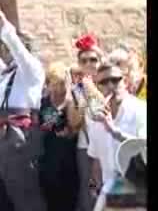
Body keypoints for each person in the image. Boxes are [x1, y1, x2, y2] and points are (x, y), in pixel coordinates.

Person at [0, 0, 47, 211]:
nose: (5, 50)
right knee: (12, 191)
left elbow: (16, 46)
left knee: (27, 192)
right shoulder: (7, 73)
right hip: (3, 139)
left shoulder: (31, 70)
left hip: (21, 140)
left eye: (8, 48)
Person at [87, 63, 147, 190]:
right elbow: (96, 160)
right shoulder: (95, 119)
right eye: (103, 82)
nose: (110, 86)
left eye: (115, 80)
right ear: (97, 88)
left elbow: (144, 147)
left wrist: (115, 132)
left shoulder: (141, 109)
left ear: (124, 81)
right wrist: (95, 187)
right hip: (110, 191)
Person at [39, 62, 82, 211]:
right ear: (48, 84)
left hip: (69, 162)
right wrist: (59, 108)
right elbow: (45, 125)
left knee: (69, 202)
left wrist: (69, 100)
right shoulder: (43, 102)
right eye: (55, 84)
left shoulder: (72, 101)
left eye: (63, 84)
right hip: (48, 162)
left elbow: (74, 124)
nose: (59, 89)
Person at [71, 34, 103, 211]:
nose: (89, 64)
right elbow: (74, 122)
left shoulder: (110, 83)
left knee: (109, 188)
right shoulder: (76, 89)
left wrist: (92, 91)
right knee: (90, 188)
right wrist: (82, 98)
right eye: (84, 61)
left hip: (108, 146)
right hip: (86, 148)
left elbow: (105, 111)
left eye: (93, 59)